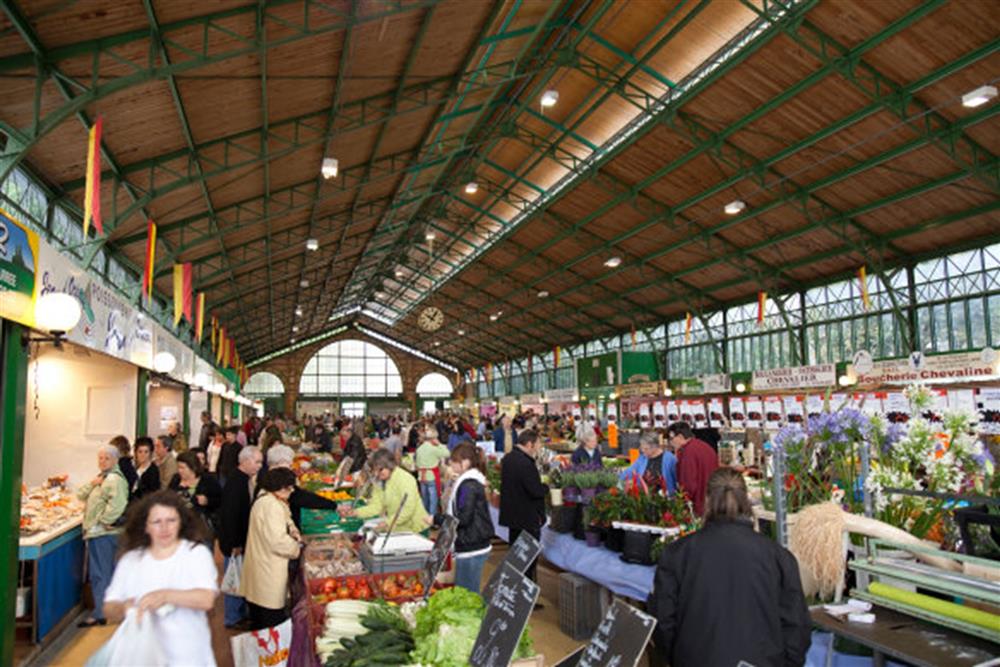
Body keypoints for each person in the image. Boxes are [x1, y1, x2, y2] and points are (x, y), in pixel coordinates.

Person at [648, 468, 811, 667]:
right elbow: (797, 628)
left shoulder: (677, 553)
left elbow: (663, 622)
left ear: (707, 500)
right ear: (747, 500)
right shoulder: (778, 557)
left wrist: (677, 657)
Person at [101, 491, 218, 666]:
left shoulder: (195, 554)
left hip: (189, 658)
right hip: (143, 658)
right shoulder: (131, 561)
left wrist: (165, 596)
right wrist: (125, 608)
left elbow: (206, 599)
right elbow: (109, 608)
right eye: (157, 522)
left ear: (181, 522)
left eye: (171, 520)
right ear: (146, 526)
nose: (165, 528)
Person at [241, 467, 302, 630]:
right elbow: (278, 541)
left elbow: (285, 520)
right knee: (271, 622)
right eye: (290, 487)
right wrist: (298, 549)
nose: (292, 490)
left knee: (261, 617)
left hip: (261, 565)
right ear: (281, 488)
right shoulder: (271, 506)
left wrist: (293, 530)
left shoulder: (268, 498)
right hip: (268, 569)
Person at [76, 444, 129, 627]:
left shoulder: (113, 479)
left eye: (107, 458)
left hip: (103, 534)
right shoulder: (102, 478)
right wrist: (93, 483)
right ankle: (108, 610)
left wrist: (105, 521)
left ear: (115, 460)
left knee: (100, 573)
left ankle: (100, 613)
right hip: (102, 533)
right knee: (108, 572)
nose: (102, 461)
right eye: (100, 458)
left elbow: (118, 504)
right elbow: (80, 494)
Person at [218, 446, 263, 629]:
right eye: (257, 462)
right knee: (233, 579)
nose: (259, 466)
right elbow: (230, 515)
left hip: (239, 540)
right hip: (234, 542)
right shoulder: (236, 483)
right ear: (244, 461)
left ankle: (239, 613)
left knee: (240, 577)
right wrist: (235, 543)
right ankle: (232, 617)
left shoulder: (244, 479)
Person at [498, 430, 547, 592]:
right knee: (528, 559)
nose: (539, 448)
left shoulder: (509, 458)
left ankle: (513, 591)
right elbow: (535, 491)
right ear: (529, 444)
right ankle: (524, 594)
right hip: (527, 517)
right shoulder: (525, 463)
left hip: (514, 517)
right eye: (538, 444)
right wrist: (546, 487)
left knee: (516, 556)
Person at [342, 448, 429, 534]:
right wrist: (356, 512)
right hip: (398, 528)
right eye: (374, 470)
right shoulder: (379, 481)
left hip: (416, 528)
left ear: (390, 465)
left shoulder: (405, 479)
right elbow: (376, 506)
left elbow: (408, 508)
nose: (376, 473)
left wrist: (388, 522)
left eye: (380, 470)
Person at [445, 443, 493, 594]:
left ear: (465, 463)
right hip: (473, 542)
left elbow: (463, 517)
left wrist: (437, 519)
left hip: (472, 545)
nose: (451, 464)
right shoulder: (469, 482)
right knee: (467, 591)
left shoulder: (467, 486)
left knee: (467, 593)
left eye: (454, 461)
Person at [265, 445, 340, 527]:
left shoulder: (270, 478)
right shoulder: (276, 482)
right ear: (279, 463)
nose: (291, 467)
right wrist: (333, 505)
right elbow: (301, 497)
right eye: (289, 465)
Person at [668, 421, 719, 516]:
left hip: (697, 506)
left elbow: (688, 484)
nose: (670, 442)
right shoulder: (705, 446)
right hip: (712, 503)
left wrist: (682, 504)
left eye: (671, 439)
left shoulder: (687, 453)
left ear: (680, 437)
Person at [168, 451, 222, 537]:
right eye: (178, 467)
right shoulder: (176, 479)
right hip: (178, 525)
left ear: (192, 467)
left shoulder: (208, 480)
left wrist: (207, 501)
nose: (179, 470)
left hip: (200, 528)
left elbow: (220, 500)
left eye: (182, 468)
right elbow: (167, 497)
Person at [415, 429, 450, 516]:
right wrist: (440, 445)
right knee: (433, 500)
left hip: (421, 476)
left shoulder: (419, 449)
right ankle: (432, 518)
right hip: (431, 476)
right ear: (433, 439)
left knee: (424, 499)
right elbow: (447, 453)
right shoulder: (434, 449)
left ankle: (424, 516)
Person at [130, 437, 161, 502]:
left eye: (146, 452)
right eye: (140, 452)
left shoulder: (153, 471)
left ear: (150, 453)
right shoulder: (135, 469)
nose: (143, 455)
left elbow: (151, 493)